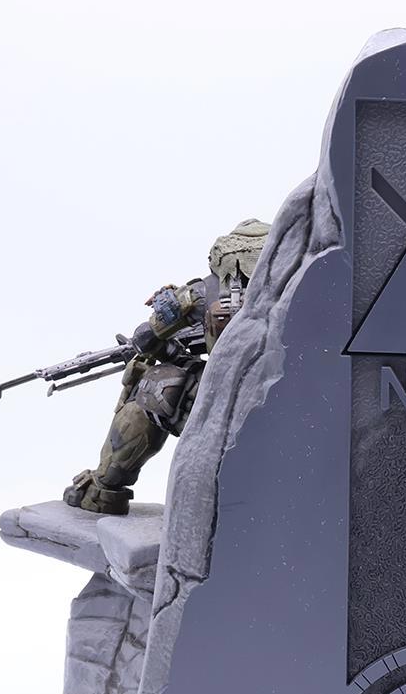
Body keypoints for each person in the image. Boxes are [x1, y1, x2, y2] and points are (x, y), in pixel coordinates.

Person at [64, 219, 270, 515]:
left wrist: (168, 350)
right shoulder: (310, 287)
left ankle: (103, 491)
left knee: (154, 385)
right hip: (302, 408)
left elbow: (145, 338)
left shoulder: (202, 292)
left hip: (225, 408)